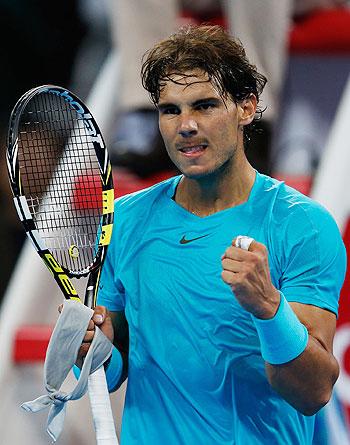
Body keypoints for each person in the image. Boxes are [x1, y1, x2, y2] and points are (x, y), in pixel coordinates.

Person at [75, 25, 346, 444]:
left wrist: (269, 309)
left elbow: (312, 392)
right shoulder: (123, 221)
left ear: (247, 107)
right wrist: (88, 347)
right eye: (170, 110)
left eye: (204, 106)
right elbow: (111, 370)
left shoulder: (303, 225)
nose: (186, 125)